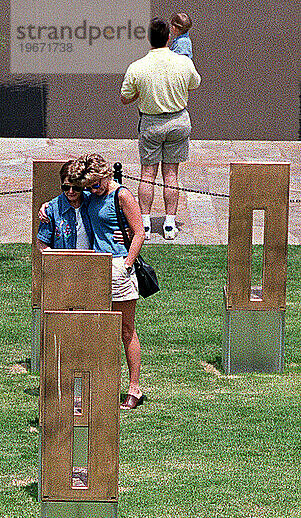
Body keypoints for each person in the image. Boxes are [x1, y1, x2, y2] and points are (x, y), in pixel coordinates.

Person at [38, 154, 146, 410]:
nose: (87, 190)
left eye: (93, 185)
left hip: (119, 266)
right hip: (92, 271)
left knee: (125, 329)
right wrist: (44, 206)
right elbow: (63, 202)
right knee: (90, 330)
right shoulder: (86, 197)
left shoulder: (121, 194)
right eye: (86, 186)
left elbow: (139, 230)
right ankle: (93, 388)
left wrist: (128, 263)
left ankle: (134, 387)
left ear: (107, 176)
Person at [120, 17, 201, 240]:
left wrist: (141, 93)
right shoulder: (183, 62)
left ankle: (144, 223)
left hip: (151, 123)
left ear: (149, 39)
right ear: (168, 38)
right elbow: (194, 84)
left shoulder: (137, 67)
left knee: (147, 174)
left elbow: (125, 98)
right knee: (171, 174)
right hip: (178, 122)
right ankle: (169, 224)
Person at [36, 160, 94, 251]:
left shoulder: (92, 201)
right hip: (62, 263)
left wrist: (124, 231)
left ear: (83, 186)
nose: (71, 192)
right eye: (66, 187)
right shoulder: (52, 209)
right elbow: (41, 242)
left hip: (90, 261)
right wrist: (53, 256)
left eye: (76, 188)